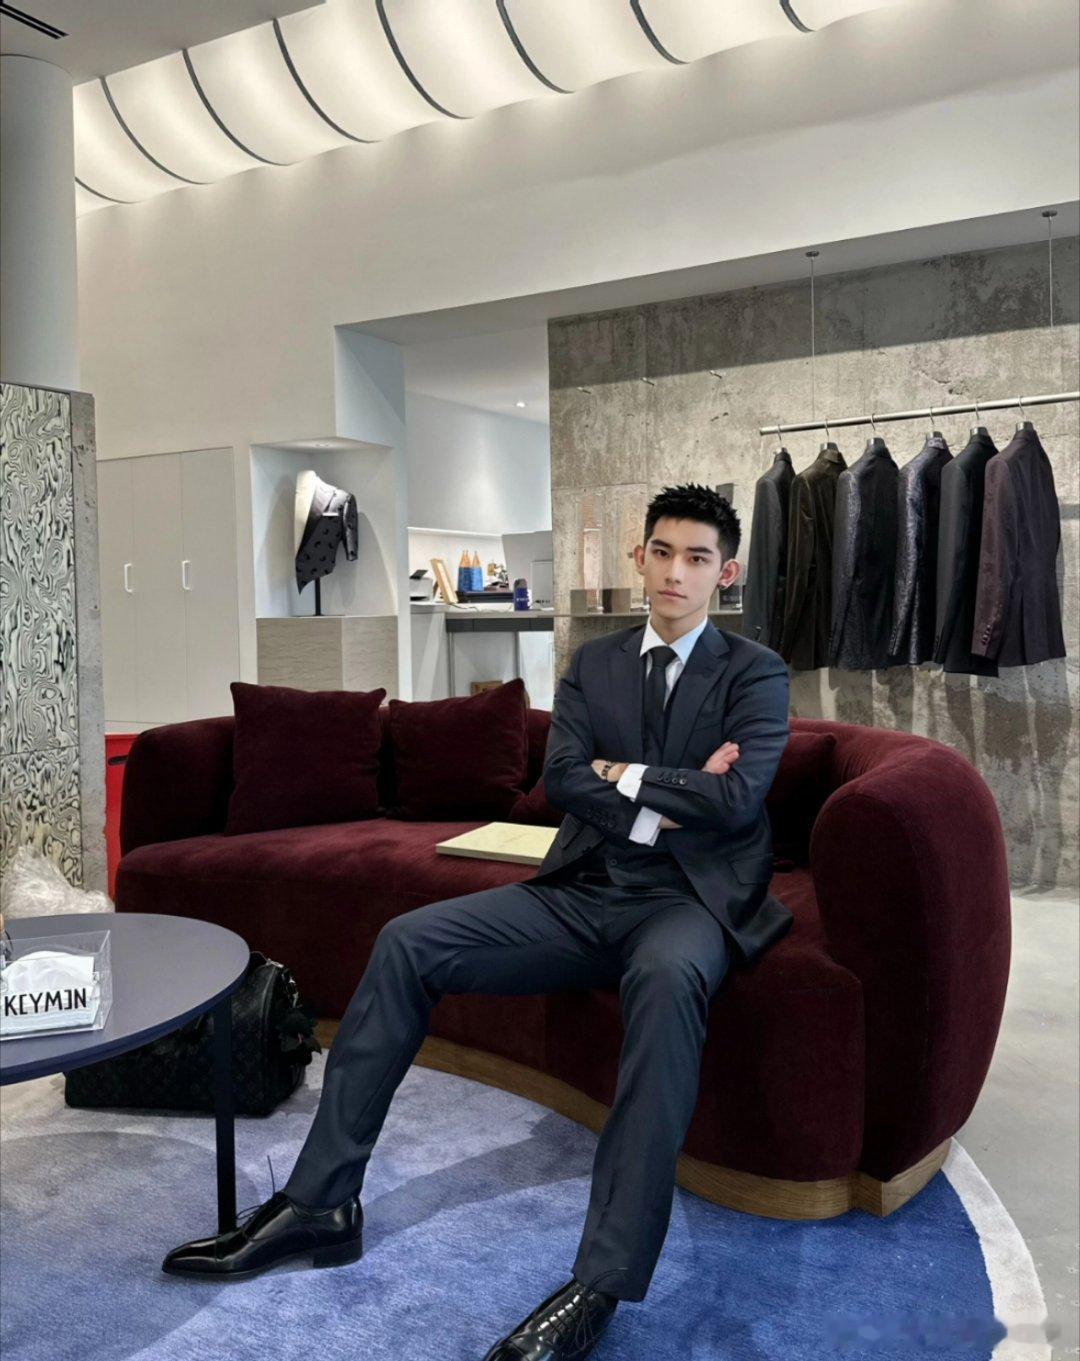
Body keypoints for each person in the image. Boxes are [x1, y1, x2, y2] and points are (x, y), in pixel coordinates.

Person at [161, 482, 793, 1360]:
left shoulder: (756, 671)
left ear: (725, 572)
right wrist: (665, 788)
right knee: (408, 941)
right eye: (662, 551)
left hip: (689, 902)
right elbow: (562, 778)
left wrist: (622, 774)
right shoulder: (595, 663)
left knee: (665, 984)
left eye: (696, 558)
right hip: (584, 888)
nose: (675, 572)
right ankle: (319, 1203)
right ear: (639, 556)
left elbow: (737, 800)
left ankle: (601, 1281)